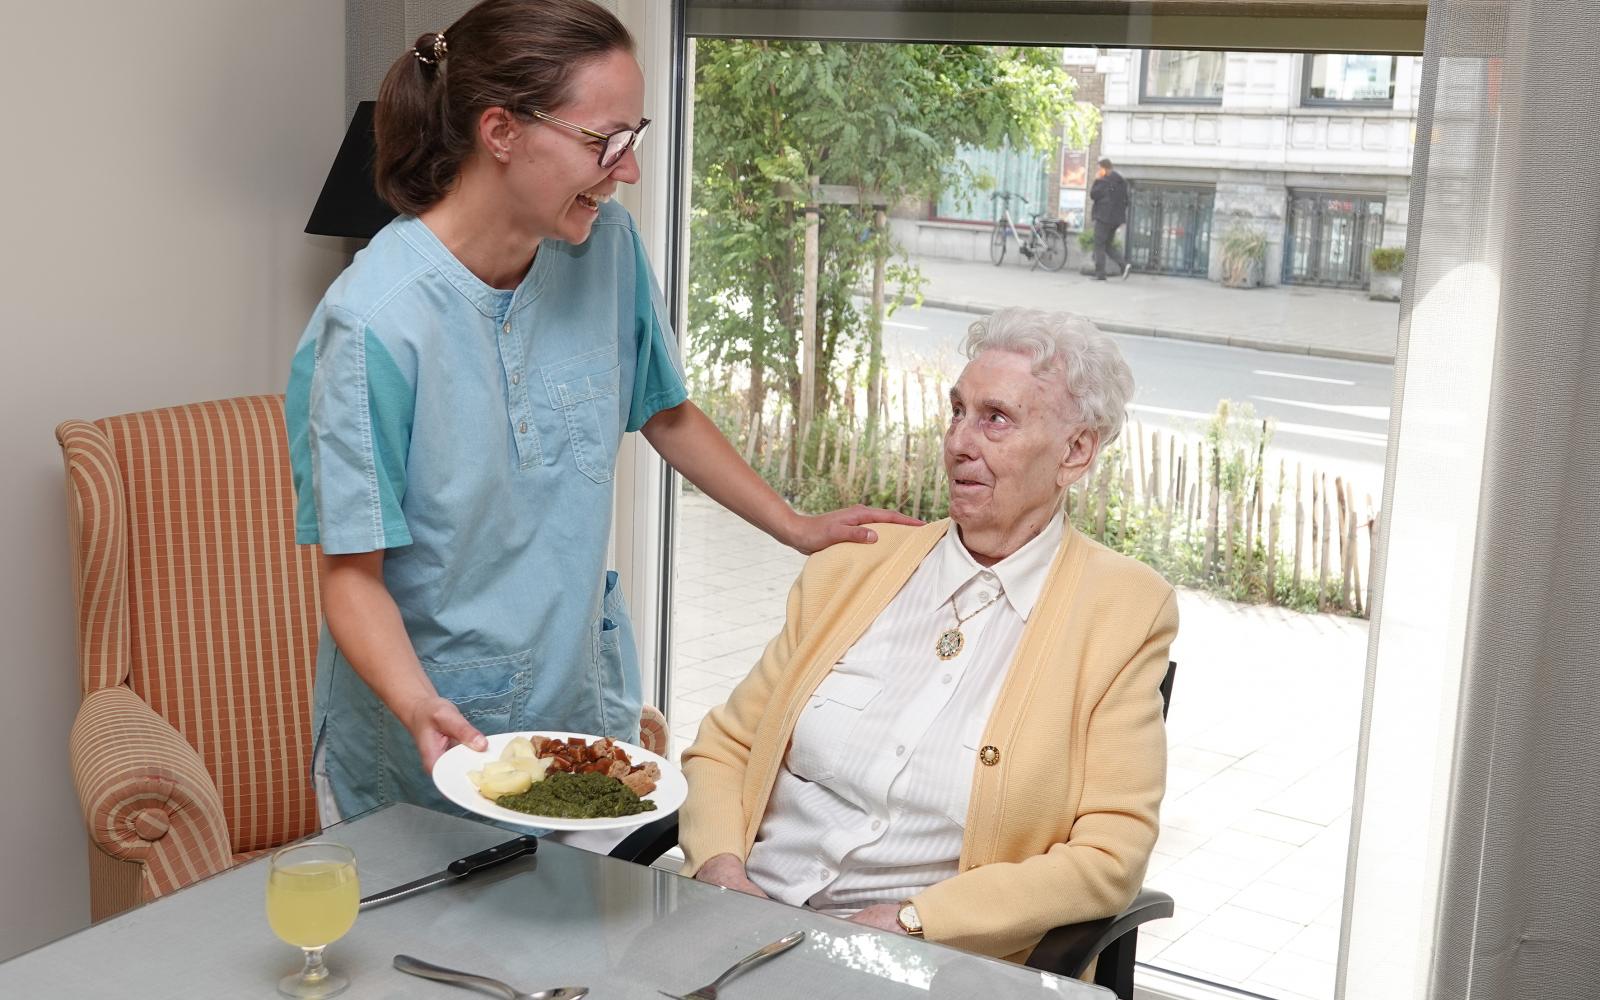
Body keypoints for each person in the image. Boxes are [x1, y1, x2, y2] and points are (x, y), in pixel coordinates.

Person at [285, 0, 916, 823]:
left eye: (635, 135)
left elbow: (666, 412)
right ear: (501, 131)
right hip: (431, 738)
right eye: (602, 141)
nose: (628, 169)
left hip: (577, 709)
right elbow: (351, 578)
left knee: (575, 945)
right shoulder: (372, 324)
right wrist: (415, 705)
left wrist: (794, 526)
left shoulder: (604, 248)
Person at [679, 307, 1178, 963]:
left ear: (1076, 451)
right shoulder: (852, 567)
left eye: (995, 418)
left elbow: (1111, 853)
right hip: (743, 924)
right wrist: (720, 869)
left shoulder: (1122, 611)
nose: (958, 442)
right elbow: (727, 747)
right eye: (957, 411)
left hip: (919, 964)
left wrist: (916, 919)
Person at [1089, 157, 1131, 281]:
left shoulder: (1104, 181)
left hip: (1103, 217)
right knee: (1107, 245)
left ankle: (1100, 274)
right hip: (1115, 219)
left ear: (1104, 168)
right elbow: (1126, 201)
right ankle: (1124, 265)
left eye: (1099, 168)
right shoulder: (1121, 181)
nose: (1098, 171)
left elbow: (1093, 194)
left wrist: (1097, 180)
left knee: (1099, 244)